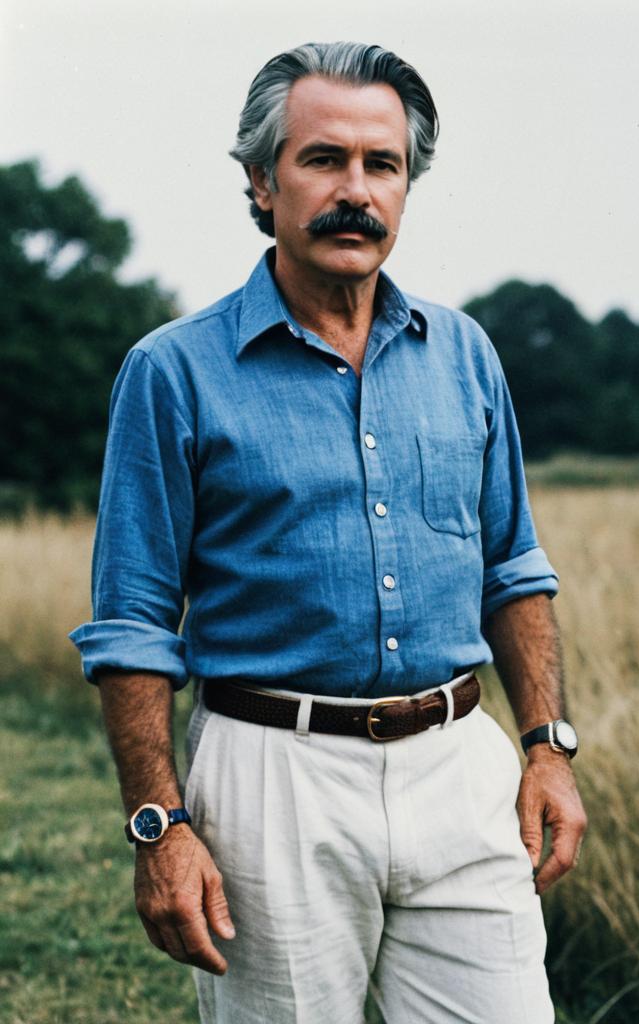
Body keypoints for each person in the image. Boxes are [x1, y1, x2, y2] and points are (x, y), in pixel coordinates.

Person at [69, 41, 586, 1024]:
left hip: (460, 766)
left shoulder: (465, 354)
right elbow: (132, 618)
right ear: (262, 182)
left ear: (407, 184)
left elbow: (514, 565)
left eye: (380, 164)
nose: (356, 190)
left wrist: (546, 746)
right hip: (273, 778)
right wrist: (159, 826)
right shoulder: (172, 370)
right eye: (323, 161)